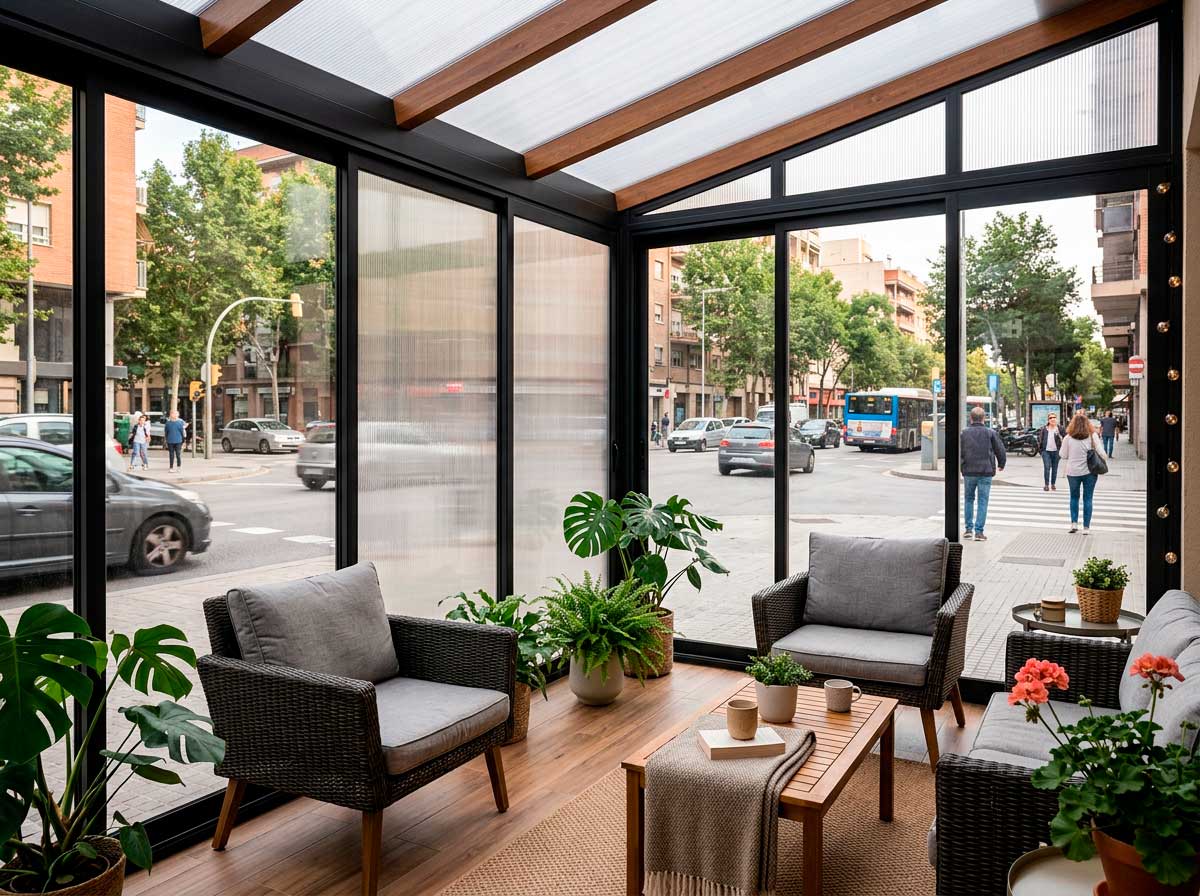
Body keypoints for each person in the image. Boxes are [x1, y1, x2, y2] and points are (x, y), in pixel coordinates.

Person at [960, 405, 1006, 542]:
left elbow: (959, 451)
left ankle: (968, 530)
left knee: (968, 499)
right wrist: (1001, 463)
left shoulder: (964, 433)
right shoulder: (990, 433)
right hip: (986, 471)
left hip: (969, 471)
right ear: (984, 418)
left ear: (971, 418)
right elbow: (1000, 449)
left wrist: (961, 465)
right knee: (983, 501)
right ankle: (979, 532)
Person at [1061, 410, 1106, 535]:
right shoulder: (1092, 436)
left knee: (1074, 497)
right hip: (1089, 473)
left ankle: (1074, 524)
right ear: (1087, 424)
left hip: (1072, 473)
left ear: (1073, 424)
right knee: (1088, 498)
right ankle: (1086, 528)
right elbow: (1102, 453)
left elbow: (1063, 455)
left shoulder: (1068, 438)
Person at [1035, 412, 1066, 492]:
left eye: (1054, 417)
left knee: (1055, 468)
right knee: (1047, 467)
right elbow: (1039, 439)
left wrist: (1060, 437)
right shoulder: (1044, 429)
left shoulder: (1060, 428)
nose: (1052, 419)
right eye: (1050, 418)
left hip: (1056, 452)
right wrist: (1041, 450)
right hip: (1046, 451)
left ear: (1056, 419)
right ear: (1048, 420)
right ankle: (1046, 485)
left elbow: (1066, 438)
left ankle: (1053, 484)